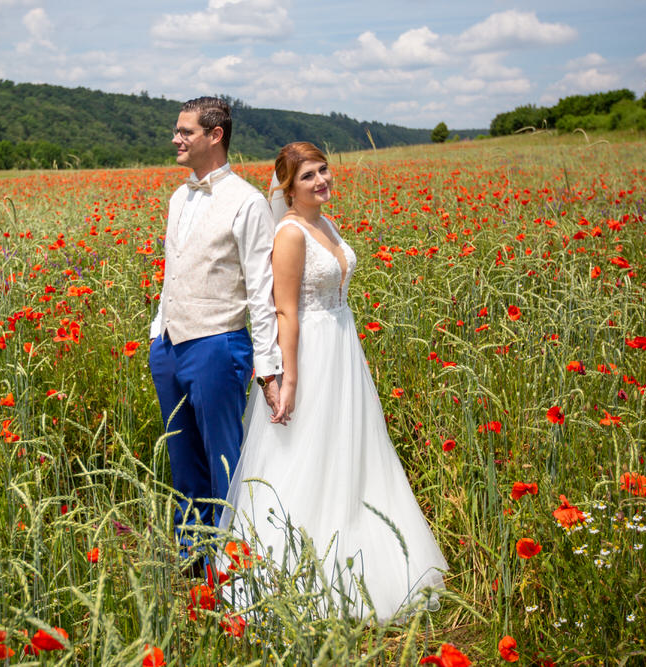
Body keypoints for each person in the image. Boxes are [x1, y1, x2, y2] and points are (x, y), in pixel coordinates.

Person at [219, 142, 447, 621]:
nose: (321, 180)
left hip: (343, 346)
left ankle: (362, 548)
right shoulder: (291, 233)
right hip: (310, 354)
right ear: (288, 186)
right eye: (308, 176)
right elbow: (285, 310)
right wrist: (291, 380)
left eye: (324, 170)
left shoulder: (324, 222)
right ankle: (296, 573)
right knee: (306, 451)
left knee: (353, 450)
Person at [149, 97, 283, 566]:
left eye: (185, 131)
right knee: (183, 464)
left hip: (218, 345)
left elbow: (262, 293)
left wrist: (268, 369)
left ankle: (232, 570)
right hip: (168, 345)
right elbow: (173, 270)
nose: (176, 139)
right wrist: (156, 334)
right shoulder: (177, 197)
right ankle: (193, 561)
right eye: (177, 131)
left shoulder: (247, 202)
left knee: (225, 462)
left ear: (215, 135)